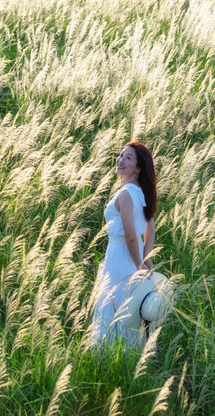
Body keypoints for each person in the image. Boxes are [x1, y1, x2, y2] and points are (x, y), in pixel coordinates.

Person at [90, 141, 158, 350]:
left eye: (128, 158)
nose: (120, 160)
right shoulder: (140, 194)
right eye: (121, 155)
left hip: (122, 254)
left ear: (138, 168)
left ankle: (108, 355)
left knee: (115, 304)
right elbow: (150, 227)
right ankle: (130, 356)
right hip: (133, 254)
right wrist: (145, 258)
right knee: (129, 307)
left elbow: (130, 236)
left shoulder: (126, 194)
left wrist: (140, 264)